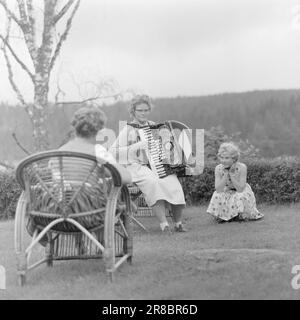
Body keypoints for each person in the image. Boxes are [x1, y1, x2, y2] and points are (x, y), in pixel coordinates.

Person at [110, 94, 186, 233]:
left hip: (157, 164)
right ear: (133, 111)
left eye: (146, 110)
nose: (143, 113)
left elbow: (161, 145)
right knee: (153, 183)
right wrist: (138, 145)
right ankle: (164, 225)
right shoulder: (128, 129)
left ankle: (178, 224)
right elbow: (113, 151)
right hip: (136, 167)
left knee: (174, 183)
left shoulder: (153, 125)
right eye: (140, 110)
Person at [207, 142, 263, 222]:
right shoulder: (218, 168)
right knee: (217, 195)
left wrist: (231, 174)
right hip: (228, 190)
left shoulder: (242, 167)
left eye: (226, 158)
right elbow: (218, 189)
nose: (223, 160)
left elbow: (240, 189)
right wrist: (225, 174)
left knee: (240, 195)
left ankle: (241, 216)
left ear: (234, 159)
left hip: (241, 190)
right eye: (222, 157)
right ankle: (221, 217)